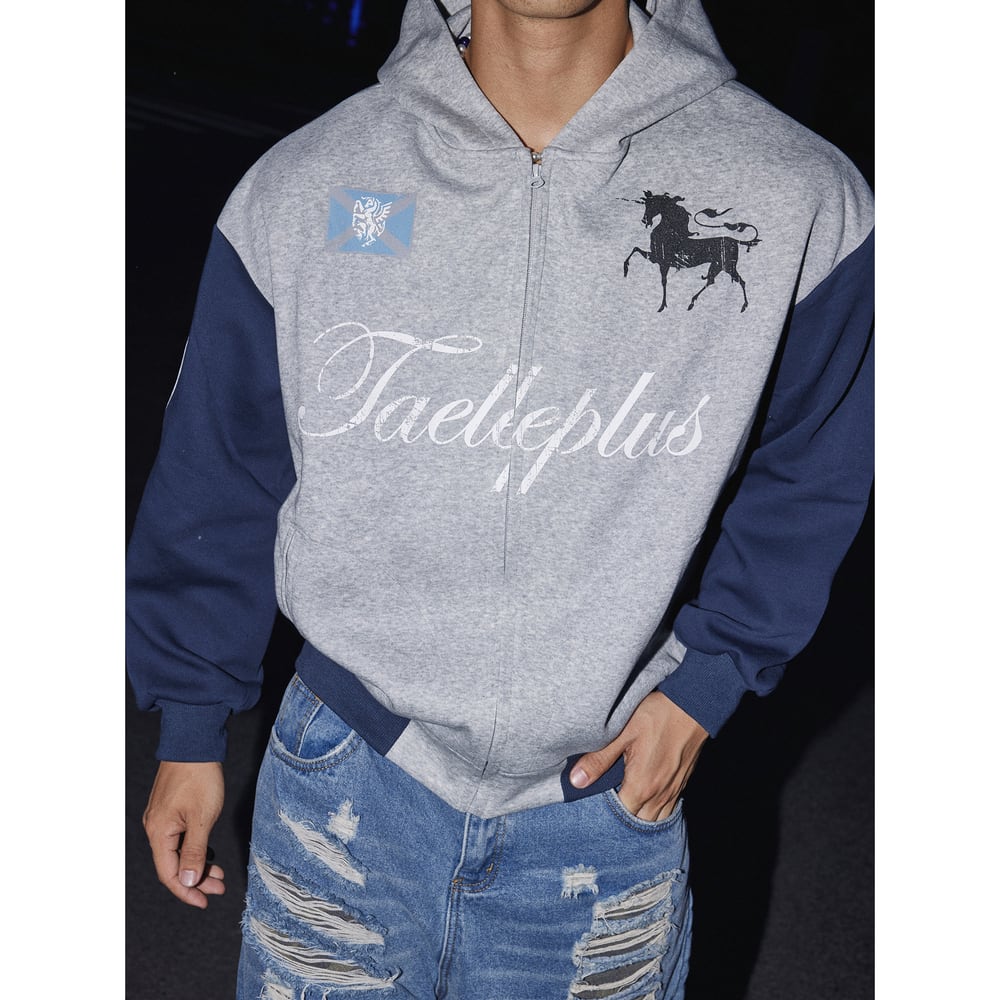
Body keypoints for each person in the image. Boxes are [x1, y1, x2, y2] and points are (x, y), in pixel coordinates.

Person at [127, 0, 873, 996]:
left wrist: (710, 679)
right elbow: (219, 470)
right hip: (348, 763)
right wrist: (191, 720)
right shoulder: (305, 186)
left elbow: (816, 467)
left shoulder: (802, 198)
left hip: (607, 796)